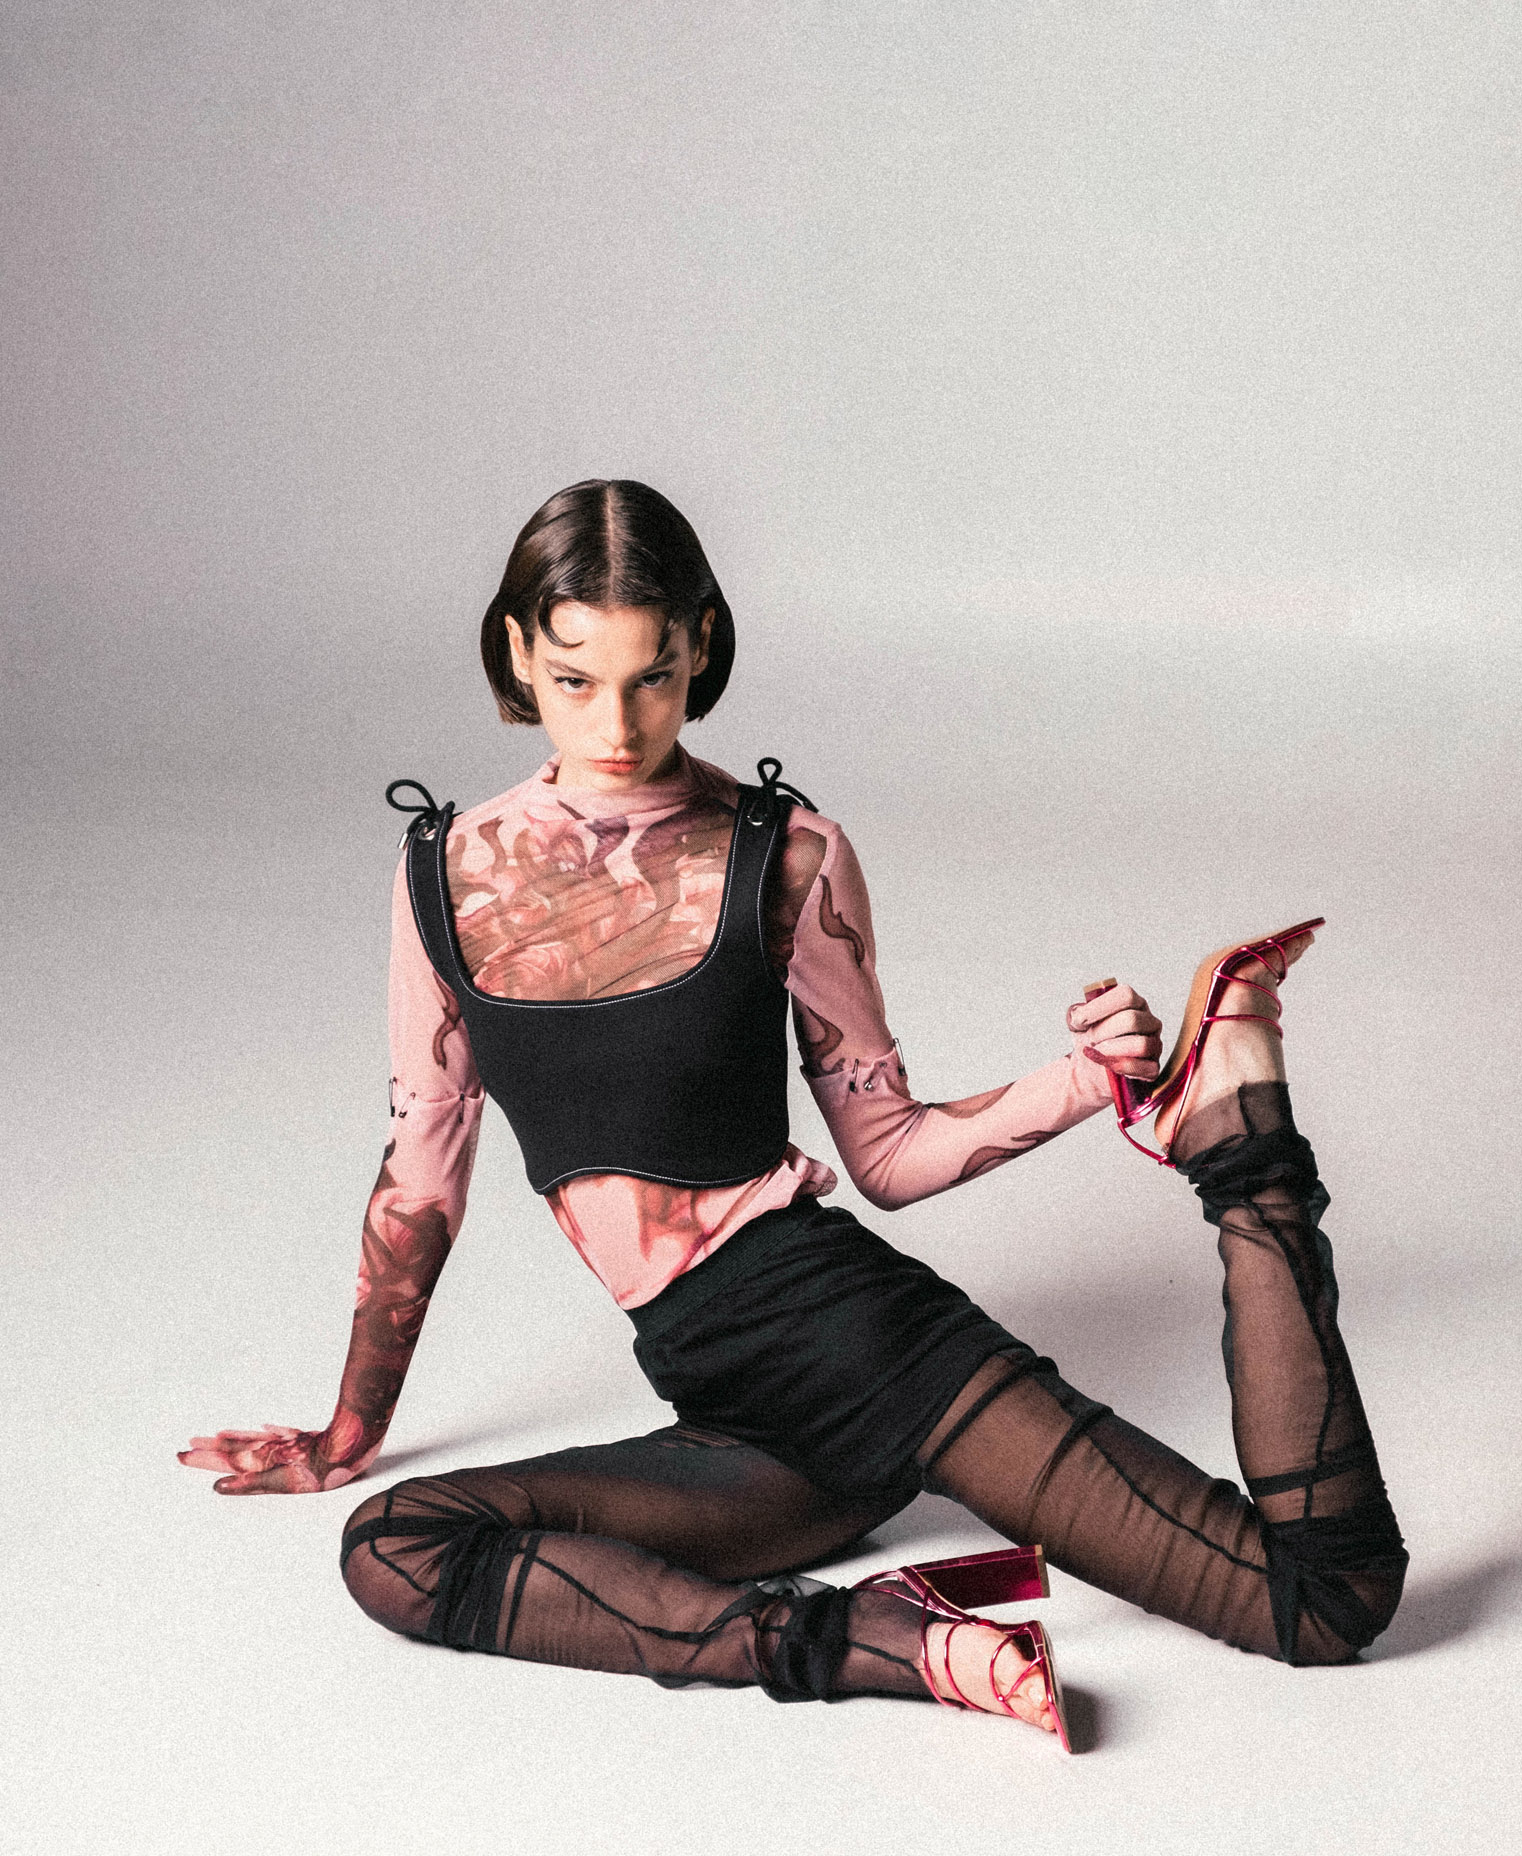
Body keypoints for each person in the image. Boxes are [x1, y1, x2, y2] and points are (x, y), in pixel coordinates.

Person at [179, 480, 1409, 1748]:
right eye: (575, 679)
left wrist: (1087, 1081)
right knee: (395, 1541)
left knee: (1321, 1601)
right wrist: (349, 1429)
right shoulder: (442, 872)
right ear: (517, 653)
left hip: (868, 1351)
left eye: (652, 678)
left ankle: (1239, 1143)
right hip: (737, 1419)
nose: (615, 724)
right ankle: (898, 1643)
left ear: (700, 645)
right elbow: (421, 1175)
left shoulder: (783, 856)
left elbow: (888, 1153)